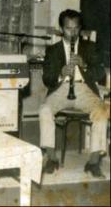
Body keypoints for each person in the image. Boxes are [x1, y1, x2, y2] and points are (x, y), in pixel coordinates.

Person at [39, 9, 108, 178]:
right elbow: (47, 79)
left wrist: (83, 65)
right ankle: (51, 157)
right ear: (62, 29)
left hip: (84, 89)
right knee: (44, 110)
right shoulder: (53, 50)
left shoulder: (90, 47)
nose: (73, 32)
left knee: (102, 112)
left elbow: (100, 75)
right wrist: (62, 73)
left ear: (80, 28)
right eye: (69, 28)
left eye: (76, 28)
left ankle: (93, 162)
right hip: (61, 89)